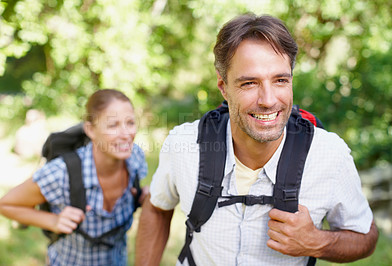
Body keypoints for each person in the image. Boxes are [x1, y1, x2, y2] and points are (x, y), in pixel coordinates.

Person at [135, 13, 379, 266]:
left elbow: (366, 237)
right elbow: (157, 207)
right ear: (223, 86)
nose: (268, 100)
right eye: (249, 83)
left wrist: (317, 241)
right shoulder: (183, 145)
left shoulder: (330, 155)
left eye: (280, 80)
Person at [0, 89, 148, 265]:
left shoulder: (135, 159)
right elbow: (7, 204)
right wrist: (53, 221)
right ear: (90, 130)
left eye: (130, 123)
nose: (126, 134)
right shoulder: (63, 172)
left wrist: (141, 197)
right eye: (113, 125)